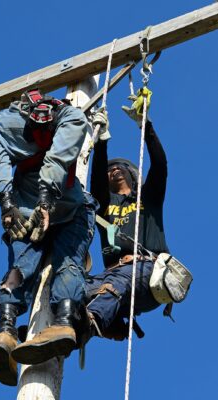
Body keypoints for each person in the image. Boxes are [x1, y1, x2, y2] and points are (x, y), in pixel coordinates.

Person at [0, 89, 96, 386]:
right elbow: (51, 160)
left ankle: (8, 329)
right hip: (48, 210)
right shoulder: (16, 124)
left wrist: (34, 201)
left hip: (40, 207)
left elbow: (53, 160)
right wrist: (8, 205)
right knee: (69, 261)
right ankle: (60, 324)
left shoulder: (68, 118)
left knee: (22, 267)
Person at [85, 101, 169, 341]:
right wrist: (101, 142)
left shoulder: (148, 198)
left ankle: (92, 322)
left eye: (120, 167)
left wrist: (145, 125)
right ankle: (55, 331)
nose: (114, 171)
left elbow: (160, 165)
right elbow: (96, 183)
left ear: (131, 173)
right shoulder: (104, 209)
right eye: (109, 170)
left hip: (147, 271)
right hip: (113, 275)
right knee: (74, 290)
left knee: (119, 282)